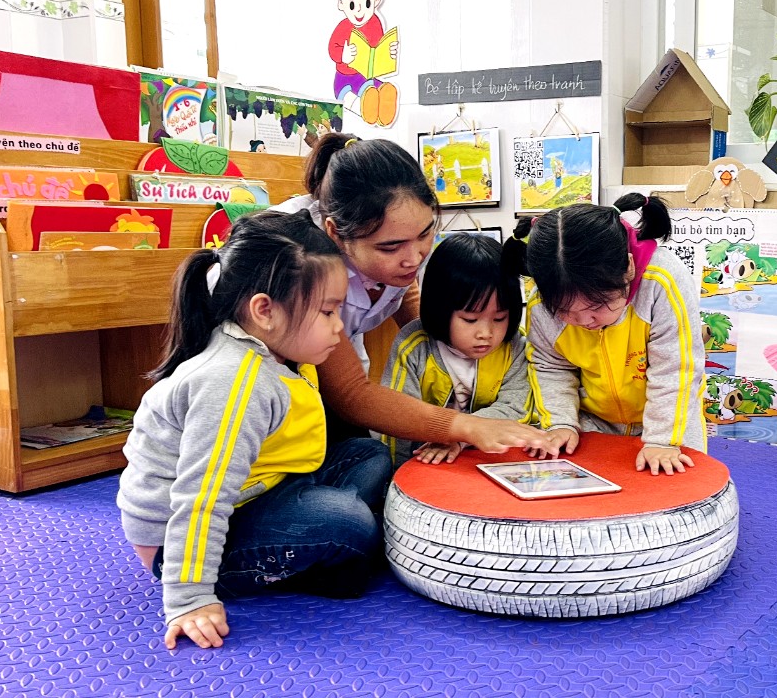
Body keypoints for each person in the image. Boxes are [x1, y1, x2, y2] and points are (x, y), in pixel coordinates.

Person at [117, 210, 391, 650]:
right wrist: (189, 598)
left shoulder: (277, 350)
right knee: (348, 524)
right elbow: (202, 496)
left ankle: (325, 529)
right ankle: (329, 547)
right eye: (327, 311)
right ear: (264, 311)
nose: (339, 327)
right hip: (176, 545)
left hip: (258, 491)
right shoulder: (234, 383)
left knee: (367, 454)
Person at [282, 133, 546, 455]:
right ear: (335, 233)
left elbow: (407, 299)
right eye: (390, 247)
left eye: (425, 234)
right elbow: (350, 392)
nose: (414, 258)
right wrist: (463, 427)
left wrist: (447, 338)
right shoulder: (302, 261)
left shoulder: (398, 249)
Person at [507, 194, 706, 476]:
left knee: (678, 488)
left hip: (670, 419)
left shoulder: (661, 281)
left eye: (596, 307)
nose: (584, 321)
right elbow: (551, 367)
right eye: (564, 311)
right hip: (593, 420)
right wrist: (560, 422)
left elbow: (674, 369)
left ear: (628, 268)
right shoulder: (542, 304)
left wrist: (663, 440)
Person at [380, 233, 530, 465]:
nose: (486, 333)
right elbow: (395, 420)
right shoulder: (414, 347)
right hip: (425, 462)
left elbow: (516, 408)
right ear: (439, 309)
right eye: (470, 320)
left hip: (489, 460)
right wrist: (396, 473)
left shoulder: (514, 346)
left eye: (499, 318)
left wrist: (460, 439)